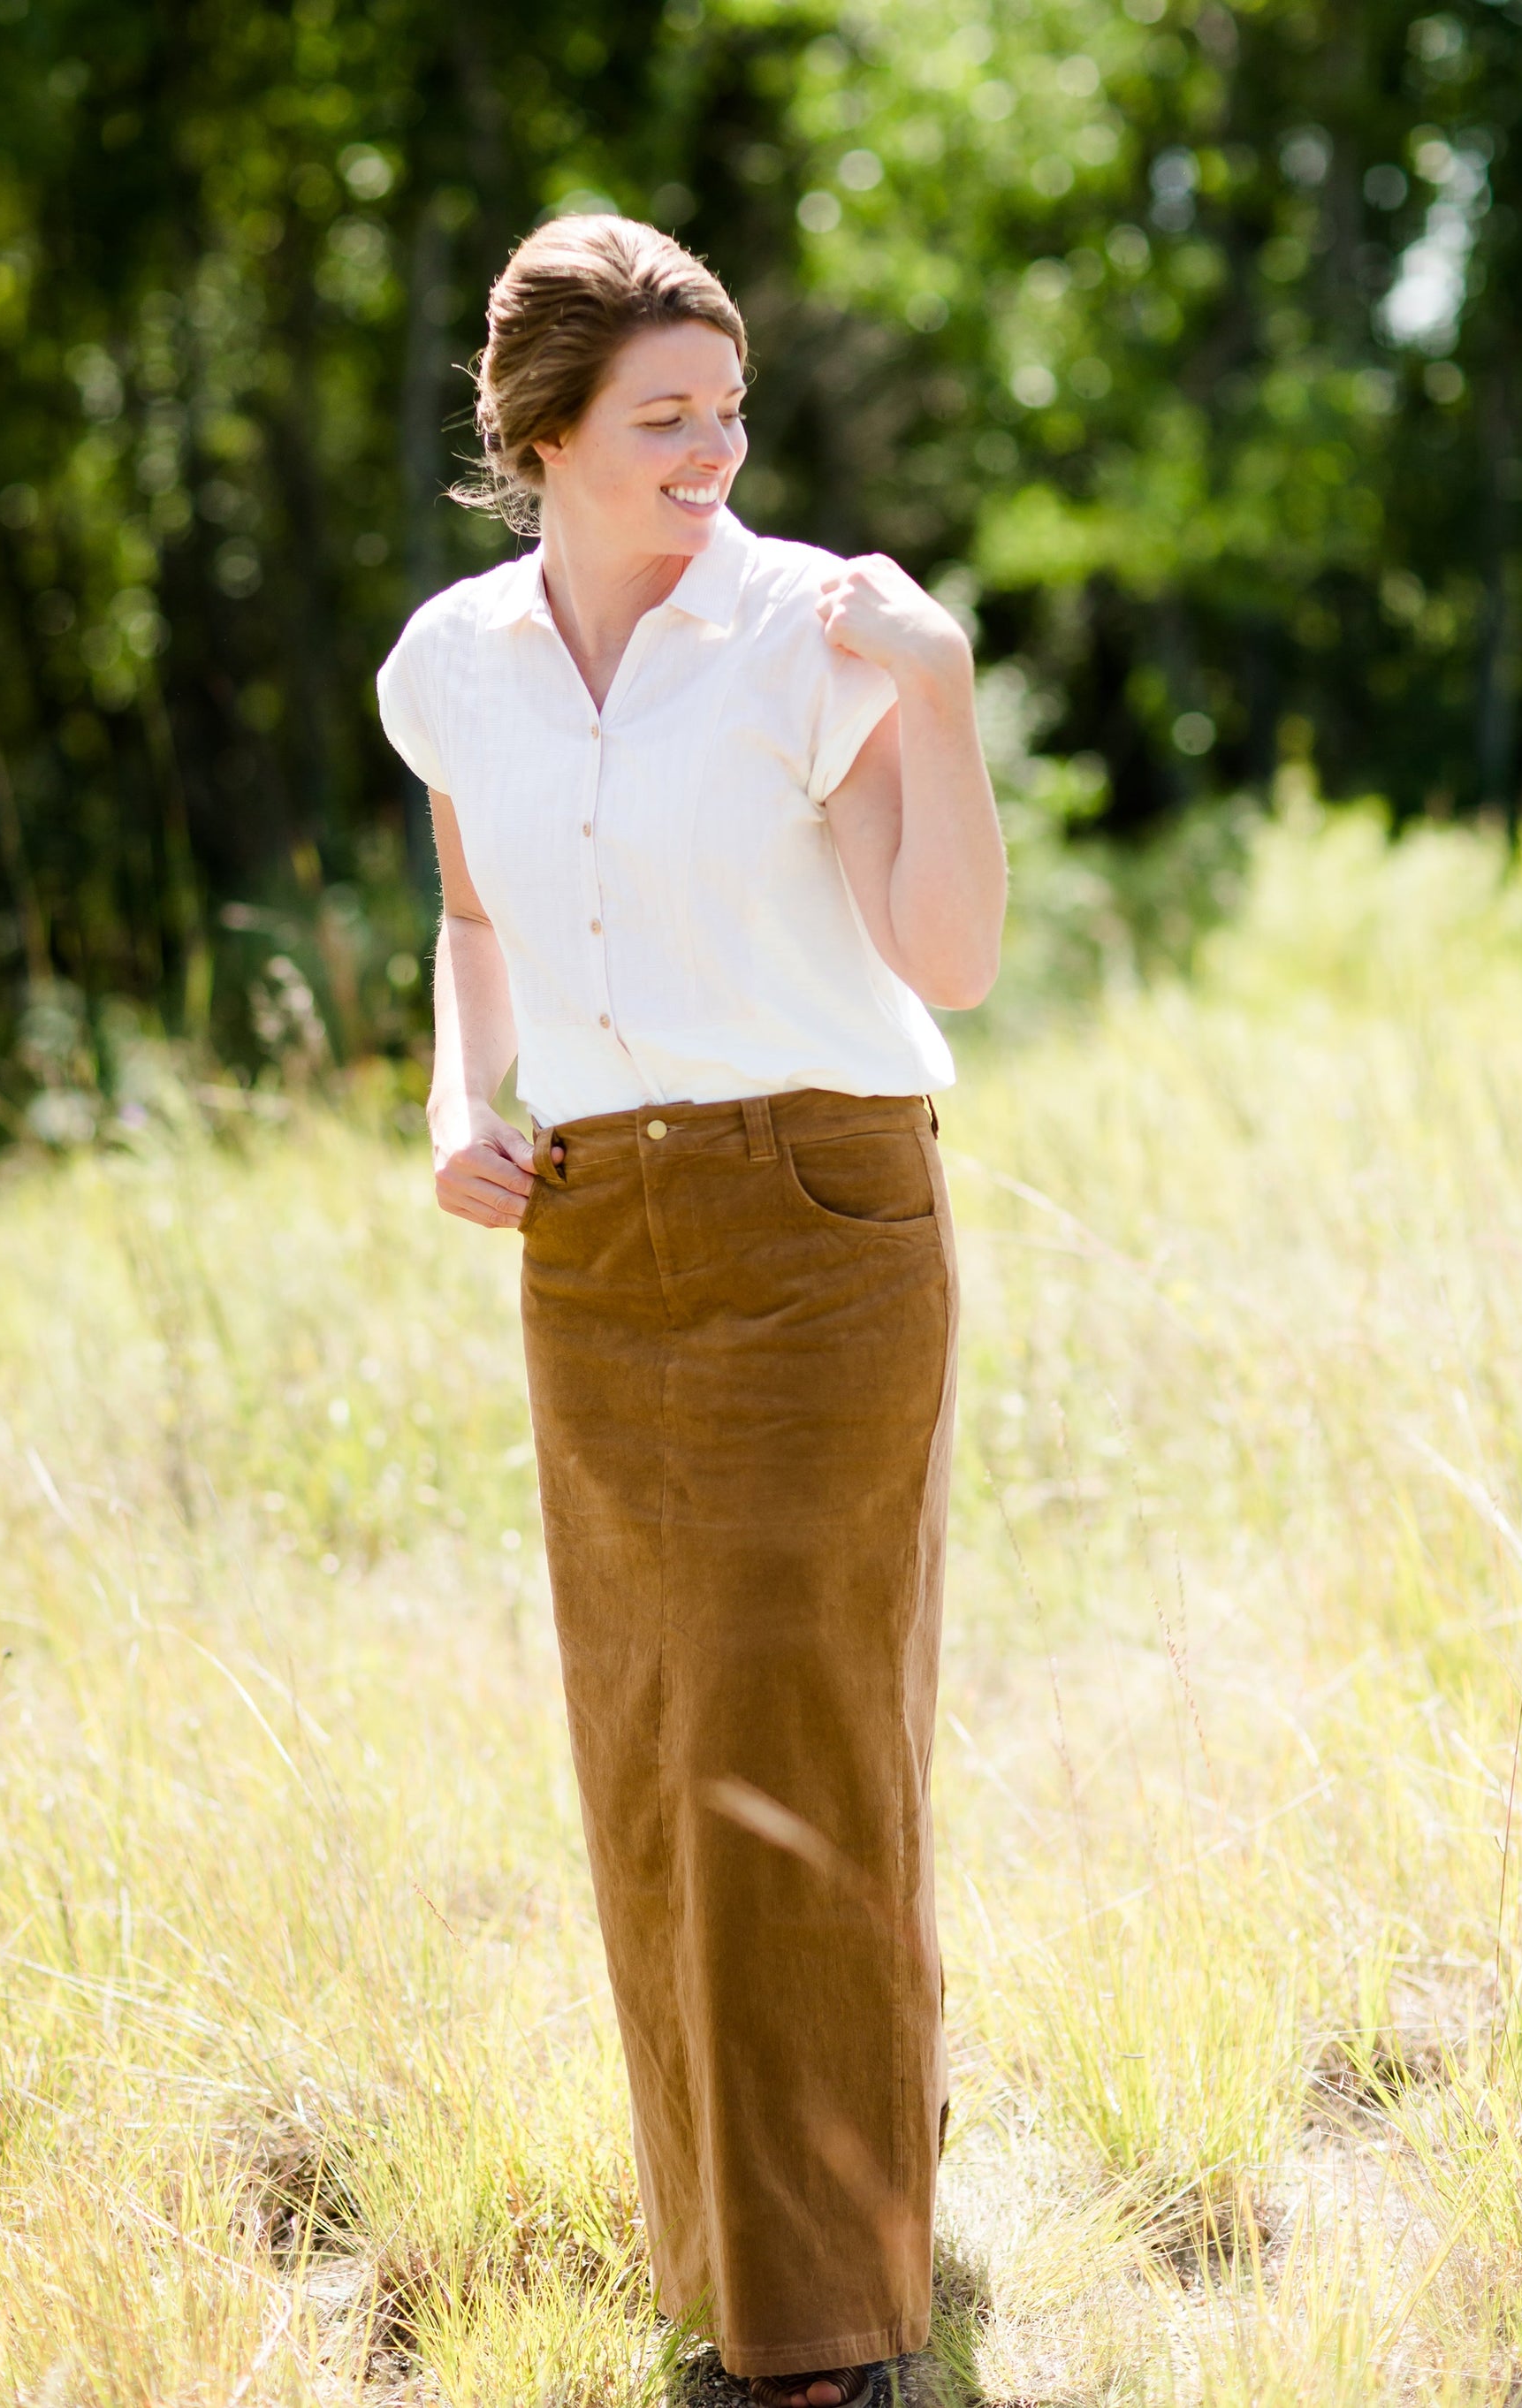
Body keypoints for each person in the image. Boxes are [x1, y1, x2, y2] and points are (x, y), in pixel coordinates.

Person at [377, 215, 1005, 2408]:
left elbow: (943, 957)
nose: (713, 451)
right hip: (599, 1239)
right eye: (665, 419)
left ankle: (816, 2326)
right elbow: (475, 911)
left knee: (785, 1732)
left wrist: (937, 690)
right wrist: (461, 1097)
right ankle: (758, 2237)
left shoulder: (801, 629)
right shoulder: (454, 659)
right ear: (541, 435)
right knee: (650, 1752)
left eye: (727, 410)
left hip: (821, 1215)